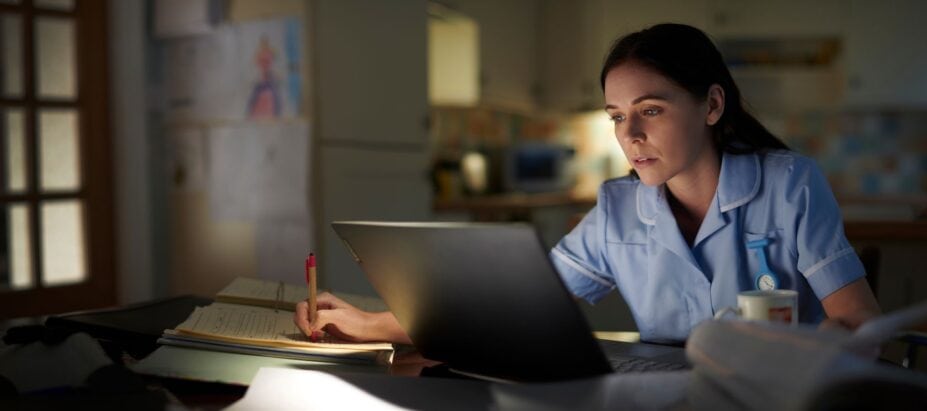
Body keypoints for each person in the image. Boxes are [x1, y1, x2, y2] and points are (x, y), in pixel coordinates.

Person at [296, 23, 880, 345]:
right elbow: (511, 307)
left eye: (650, 110)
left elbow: (859, 325)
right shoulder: (617, 211)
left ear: (711, 105)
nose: (629, 134)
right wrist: (377, 324)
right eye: (617, 115)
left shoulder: (791, 186)